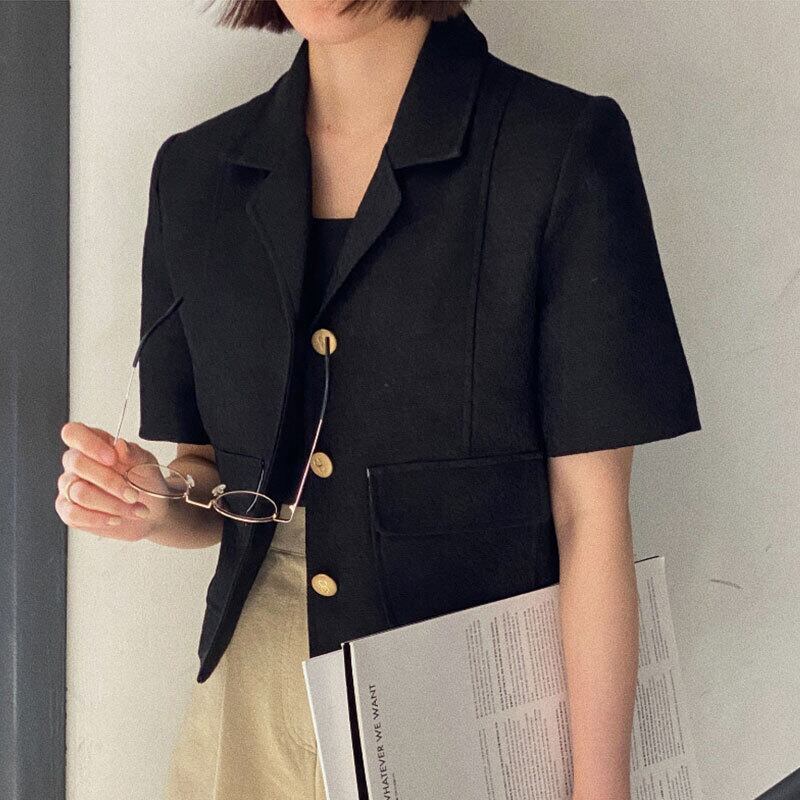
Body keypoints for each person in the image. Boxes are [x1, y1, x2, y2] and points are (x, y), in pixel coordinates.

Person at [56, 2, 702, 798]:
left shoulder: (559, 148)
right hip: (254, 709)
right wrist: (153, 501)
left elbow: (590, 516)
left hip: (474, 709)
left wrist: (600, 788)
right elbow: (212, 475)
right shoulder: (197, 174)